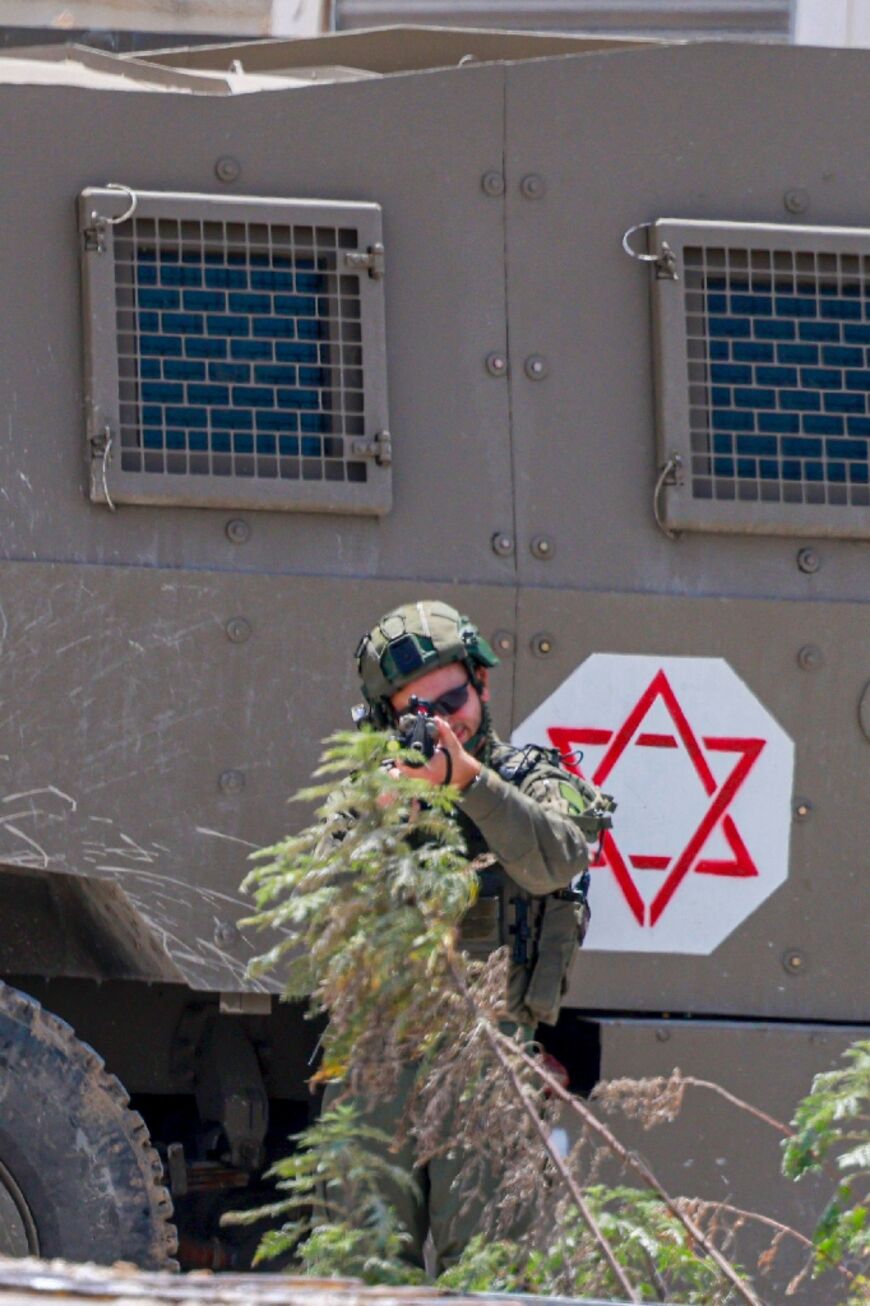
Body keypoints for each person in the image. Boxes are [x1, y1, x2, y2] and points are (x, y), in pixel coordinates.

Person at [327, 599, 612, 1268]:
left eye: (453, 697)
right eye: (415, 711)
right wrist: (388, 819)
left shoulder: (535, 781)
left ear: (482, 684)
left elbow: (557, 856)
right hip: (379, 1061)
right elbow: (320, 907)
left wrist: (471, 783)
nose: (442, 720)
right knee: (362, 1270)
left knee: (490, 1269)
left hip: (490, 1060)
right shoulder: (369, 793)